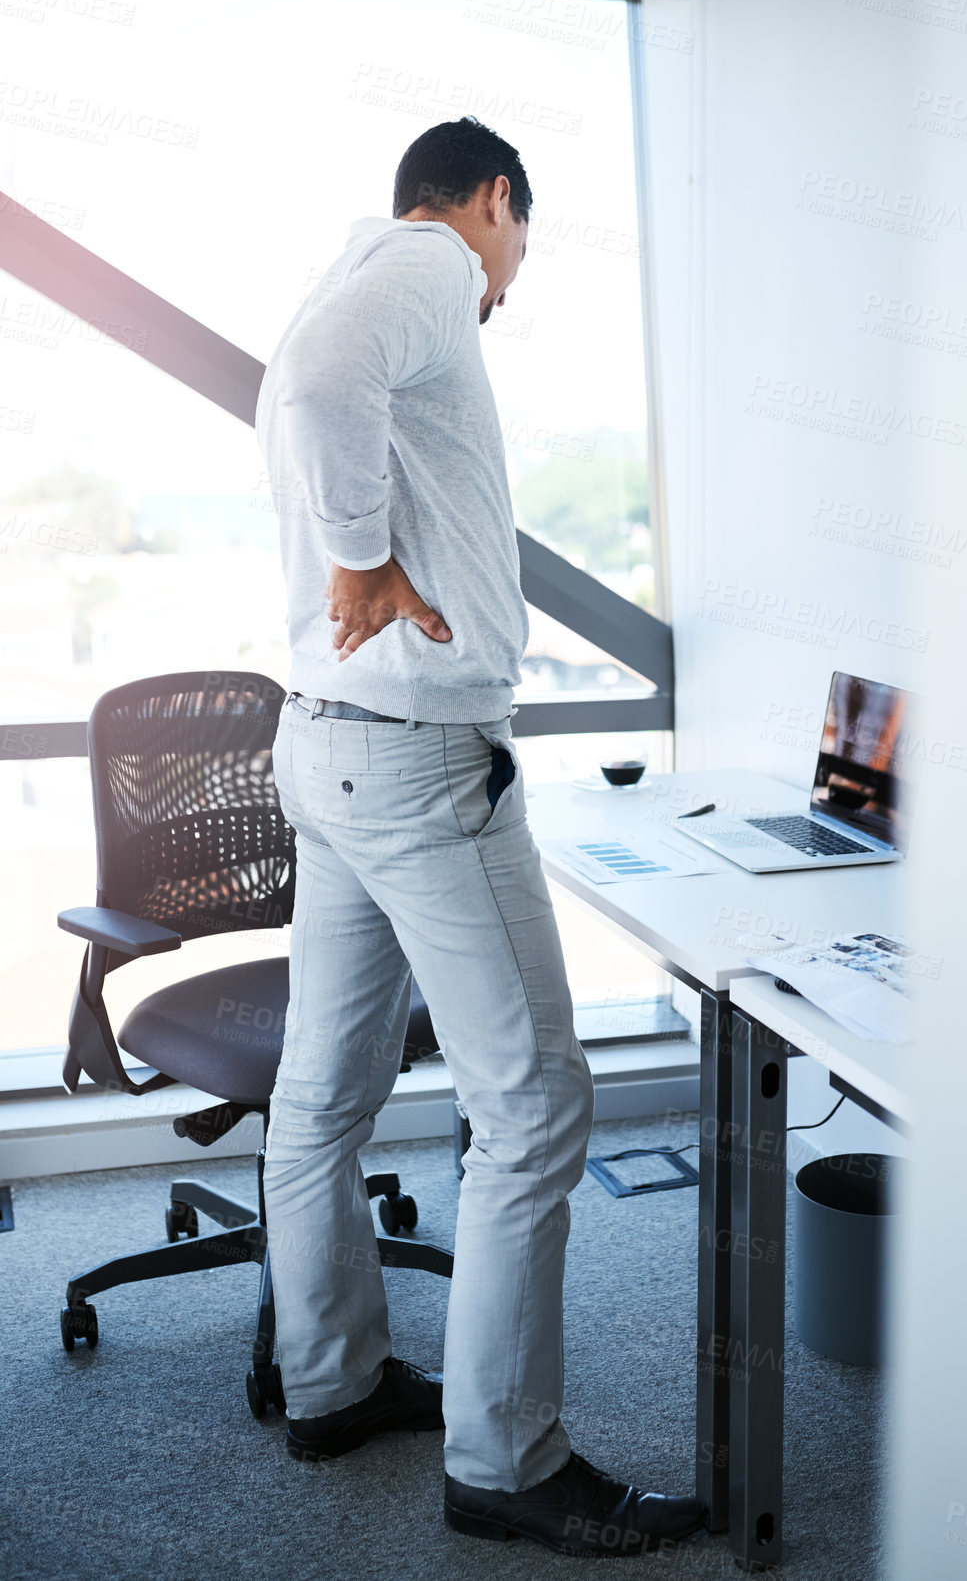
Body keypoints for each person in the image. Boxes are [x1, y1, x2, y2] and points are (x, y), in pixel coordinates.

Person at [254, 117, 703, 1559]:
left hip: (327, 745)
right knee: (532, 1105)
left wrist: (370, 548)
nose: (506, 288)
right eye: (517, 250)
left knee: (322, 1094)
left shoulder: (346, 273)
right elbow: (328, 393)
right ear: (493, 203)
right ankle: (506, 1461)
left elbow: (320, 384)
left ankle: (332, 1383)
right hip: (421, 762)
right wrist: (367, 555)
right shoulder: (431, 267)